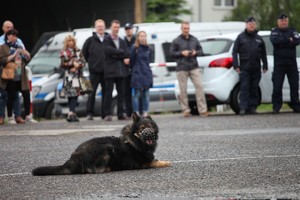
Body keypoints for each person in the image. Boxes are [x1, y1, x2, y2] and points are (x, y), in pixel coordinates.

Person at [170, 21, 209, 117]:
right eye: (185, 28)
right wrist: (181, 53)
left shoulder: (194, 39)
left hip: (193, 66)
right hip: (181, 67)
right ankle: (185, 110)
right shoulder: (176, 41)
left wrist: (196, 52)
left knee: (199, 87)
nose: (186, 30)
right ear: (181, 29)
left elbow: (201, 51)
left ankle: (203, 110)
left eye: (188, 28)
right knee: (183, 90)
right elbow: (171, 53)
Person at [232, 17, 268, 115]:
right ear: (246, 25)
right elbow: (234, 52)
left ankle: (252, 107)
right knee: (244, 88)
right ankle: (243, 108)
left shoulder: (259, 38)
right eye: (249, 24)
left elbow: (263, 53)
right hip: (245, 68)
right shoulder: (240, 37)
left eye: (253, 24)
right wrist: (236, 65)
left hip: (256, 68)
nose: (251, 25)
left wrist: (265, 65)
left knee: (254, 88)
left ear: (255, 25)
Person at [270, 13, 300, 114]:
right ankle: (276, 106)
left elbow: (297, 40)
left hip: (291, 63)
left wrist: (283, 42)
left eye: (285, 20)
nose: (284, 22)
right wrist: (288, 40)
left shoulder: (293, 31)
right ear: (278, 22)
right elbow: (275, 41)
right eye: (282, 21)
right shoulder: (274, 31)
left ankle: (296, 105)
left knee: (294, 85)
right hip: (279, 64)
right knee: (277, 86)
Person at [0, 29, 31, 124]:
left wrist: (25, 54)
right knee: (11, 96)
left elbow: (27, 59)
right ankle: (10, 116)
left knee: (26, 94)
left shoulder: (19, 46)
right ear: (8, 36)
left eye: (15, 36)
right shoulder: (3, 47)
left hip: (20, 74)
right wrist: (13, 56)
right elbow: (2, 60)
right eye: (12, 35)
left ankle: (26, 115)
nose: (14, 37)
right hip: (10, 75)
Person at [103, 19, 130, 121]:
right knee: (108, 93)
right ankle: (107, 114)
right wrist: (120, 53)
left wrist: (116, 54)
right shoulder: (106, 39)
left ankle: (121, 113)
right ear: (111, 27)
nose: (116, 29)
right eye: (114, 27)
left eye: (118, 27)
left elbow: (126, 53)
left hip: (121, 71)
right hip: (110, 71)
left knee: (121, 94)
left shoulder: (122, 41)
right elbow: (107, 51)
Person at [82, 19, 108, 120]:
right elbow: (84, 54)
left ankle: (105, 114)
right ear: (95, 28)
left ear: (105, 27)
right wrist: (91, 63)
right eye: (99, 27)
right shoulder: (90, 40)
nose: (100, 28)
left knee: (106, 93)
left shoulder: (108, 39)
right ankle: (89, 113)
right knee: (91, 93)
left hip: (107, 72)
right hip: (94, 71)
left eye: (102, 26)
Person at [60, 35, 85, 122]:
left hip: (77, 76)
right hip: (68, 77)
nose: (71, 43)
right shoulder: (64, 52)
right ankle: (72, 112)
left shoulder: (78, 51)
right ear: (67, 42)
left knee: (75, 94)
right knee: (70, 94)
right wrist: (71, 64)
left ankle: (71, 113)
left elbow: (83, 62)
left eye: (72, 41)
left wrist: (78, 65)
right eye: (69, 41)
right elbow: (62, 64)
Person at [130, 31, 153, 117]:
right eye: (141, 36)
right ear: (138, 38)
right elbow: (131, 62)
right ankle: (136, 112)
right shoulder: (134, 48)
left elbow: (149, 60)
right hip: (137, 73)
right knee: (137, 94)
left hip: (146, 73)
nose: (143, 38)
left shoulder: (149, 49)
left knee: (146, 94)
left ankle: (145, 112)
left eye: (144, 36)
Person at [123, 22, 136, 118]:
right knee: (126, 93)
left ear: (132, 29)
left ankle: (138, 111)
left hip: (135, 70)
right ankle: (129, 112)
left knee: (137, 92)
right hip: (125, 70)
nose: (128, 31)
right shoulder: (122, 41)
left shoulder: (137, 40)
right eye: (127, 29)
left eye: (130, 29)